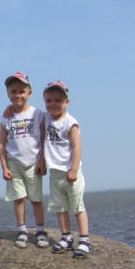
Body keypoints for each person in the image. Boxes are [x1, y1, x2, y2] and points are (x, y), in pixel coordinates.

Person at [38, 80, 91, 258]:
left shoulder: (70, 122)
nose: (53, 104)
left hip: (70, 171)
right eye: (49, 100)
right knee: (59, 207)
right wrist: (42, 163)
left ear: (67, 102)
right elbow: (25, 111)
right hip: (55, 172)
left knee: (77, 206)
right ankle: (66, 237)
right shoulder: (45, 118)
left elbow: (77, 146)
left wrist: (73, 169)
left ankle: (84, 240)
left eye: (58, 100)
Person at [0, 72, 47, 249]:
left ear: (29, 93)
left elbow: (44, 139)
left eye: (21, 91)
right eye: (13, 91)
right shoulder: (6, 117)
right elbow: (2, 143)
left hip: (34, 162)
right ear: (8, 94)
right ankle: (22, 230)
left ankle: (40, 230)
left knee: (36, 198)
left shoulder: (37, 113)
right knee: (19, 198)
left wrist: (43, 161)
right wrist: (4, 167)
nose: (17, 95)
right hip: (14, 162)